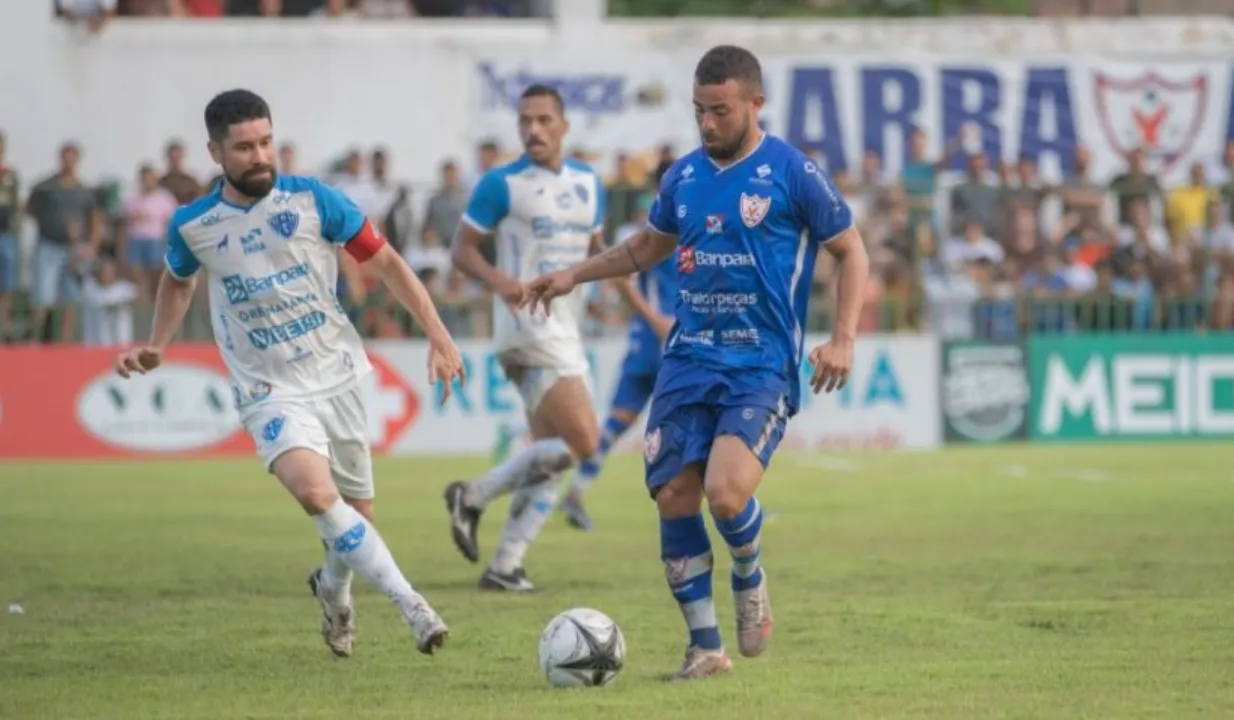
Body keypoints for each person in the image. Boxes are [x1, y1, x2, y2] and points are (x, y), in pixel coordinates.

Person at [521, 45, 870, 680]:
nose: (707, 124)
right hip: (686, 360)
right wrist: (575, 273)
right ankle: (706, 648)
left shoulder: (792, 172)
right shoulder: (682, 176)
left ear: (754, 104)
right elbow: (644, 246)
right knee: (675, 496)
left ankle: (750, 572)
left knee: (726, 492)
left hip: (759, 364)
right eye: (699, 111)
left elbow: (852, 251)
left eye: (721, 111)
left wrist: (842, 337)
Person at [113, 89, 466, 659]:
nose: (260, 156)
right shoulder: (193, 225)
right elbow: (178, 281)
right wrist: (158, 344)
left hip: (339, 375)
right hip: (268, 389)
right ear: (215, 152)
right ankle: (413, 606)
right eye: (245, 147)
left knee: (355, 517)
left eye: (267, 142)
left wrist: (438, 333)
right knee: (317, 495)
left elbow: (386, 262)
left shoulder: (314, 200)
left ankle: (333, 591)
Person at [443, 84, 606, 593]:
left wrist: (627, 305)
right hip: (528, 327)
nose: (532, 130)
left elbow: (599, 251)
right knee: (585, 440)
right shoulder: (501, 184)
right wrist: (503, 285)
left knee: (554, 452)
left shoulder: (588, 182)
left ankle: (505, 565)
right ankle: (472, 494)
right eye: (525, 121)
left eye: (542, 120)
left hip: (566, 326)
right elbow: (461, 250)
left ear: (563, 126)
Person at [558, 196, 678, 531]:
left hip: (648, 341)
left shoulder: (677, 232)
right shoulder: (661, 237)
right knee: (705, 420)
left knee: (616, 422)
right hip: (663, 340)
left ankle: (574, 492)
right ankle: (737, 501)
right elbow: (623, 280)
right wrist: (656, 320)